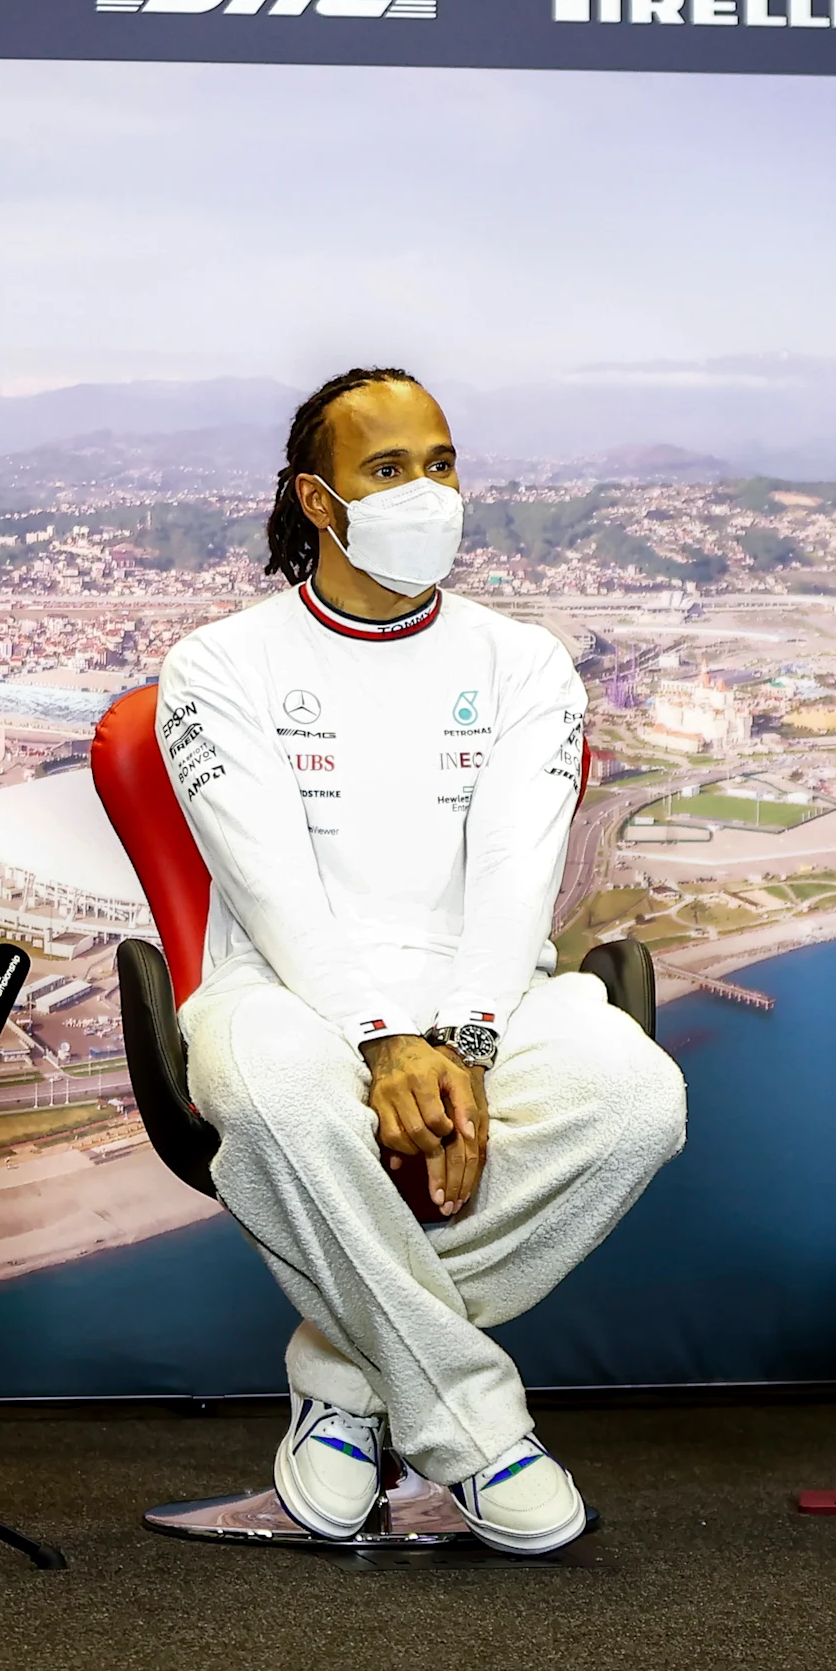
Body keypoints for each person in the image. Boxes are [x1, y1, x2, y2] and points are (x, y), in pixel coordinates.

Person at [155, 368, 686, 1554]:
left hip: (487, 991)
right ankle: (474, 1427)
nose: (426, 490)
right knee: (280, 1095)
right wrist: (377, 1038)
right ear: (317, 498)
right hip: (286, 990)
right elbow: (269, 886)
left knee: (638, 1096)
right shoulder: (217, 664)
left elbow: (515, 877)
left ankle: (344, 1389)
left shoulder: (526, 663)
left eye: (439, 462)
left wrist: (462, 1039)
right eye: (386, 469)